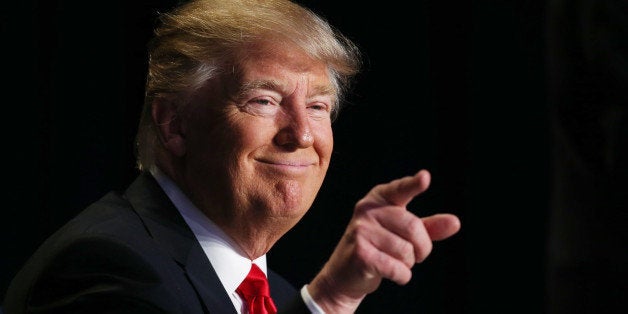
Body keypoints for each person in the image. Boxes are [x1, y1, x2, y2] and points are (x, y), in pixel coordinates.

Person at [2, 0, 461, 313]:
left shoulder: (269, 294)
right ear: (174, 125)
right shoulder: (109, 270)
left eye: (318, 106)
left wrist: (330, 299)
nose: (301, 133)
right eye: (263, 100)